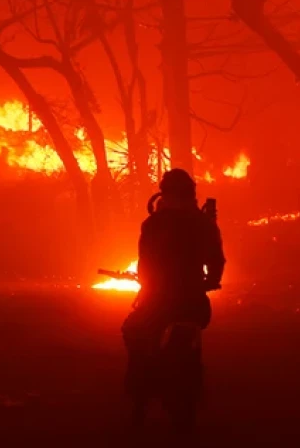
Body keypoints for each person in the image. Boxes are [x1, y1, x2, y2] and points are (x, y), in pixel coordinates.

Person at [122, 168, 225, 425]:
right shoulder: (204, 223)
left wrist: (148, 286)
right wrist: (211, 282)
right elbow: (217, 261)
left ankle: (140, 395)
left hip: (157, 302)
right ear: (191, 194)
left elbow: (144, 264)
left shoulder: (152, 224)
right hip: (194, 303)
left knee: (133, 330)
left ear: (165, 194)